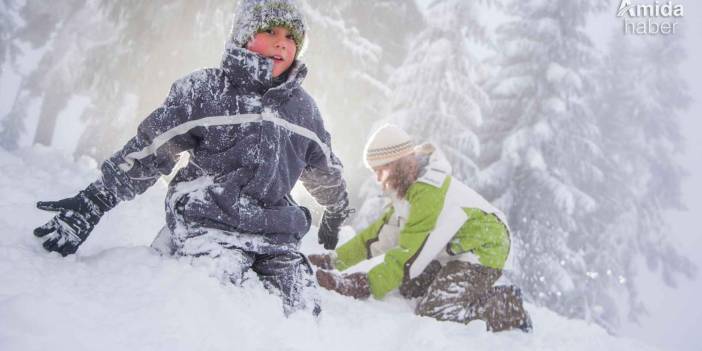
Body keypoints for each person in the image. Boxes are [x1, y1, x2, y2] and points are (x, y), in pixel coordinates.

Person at [32, 0, 351, 316]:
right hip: (208, 223)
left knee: (302, 306)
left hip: (275, 235)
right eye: (270, 30)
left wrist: (336, 208)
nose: (283, 41)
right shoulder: (207, 91)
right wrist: (96, 199)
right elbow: (151, 150)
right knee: (214, 299)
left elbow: (324, 167)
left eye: (292, 37)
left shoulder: (303, 110)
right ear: (243, 36)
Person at [309, 124, 532, 332]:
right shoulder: (408, 190)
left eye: (381, 169)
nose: (377, 178)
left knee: (435, 310)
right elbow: (377, 237)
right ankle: (457, 286)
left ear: (398, 163)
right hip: (453, 249)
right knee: (409, 287)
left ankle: (505, 305)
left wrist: (360, 284)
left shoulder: (429, 193)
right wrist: (333, 260)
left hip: (484, 248)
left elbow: (409, 257)